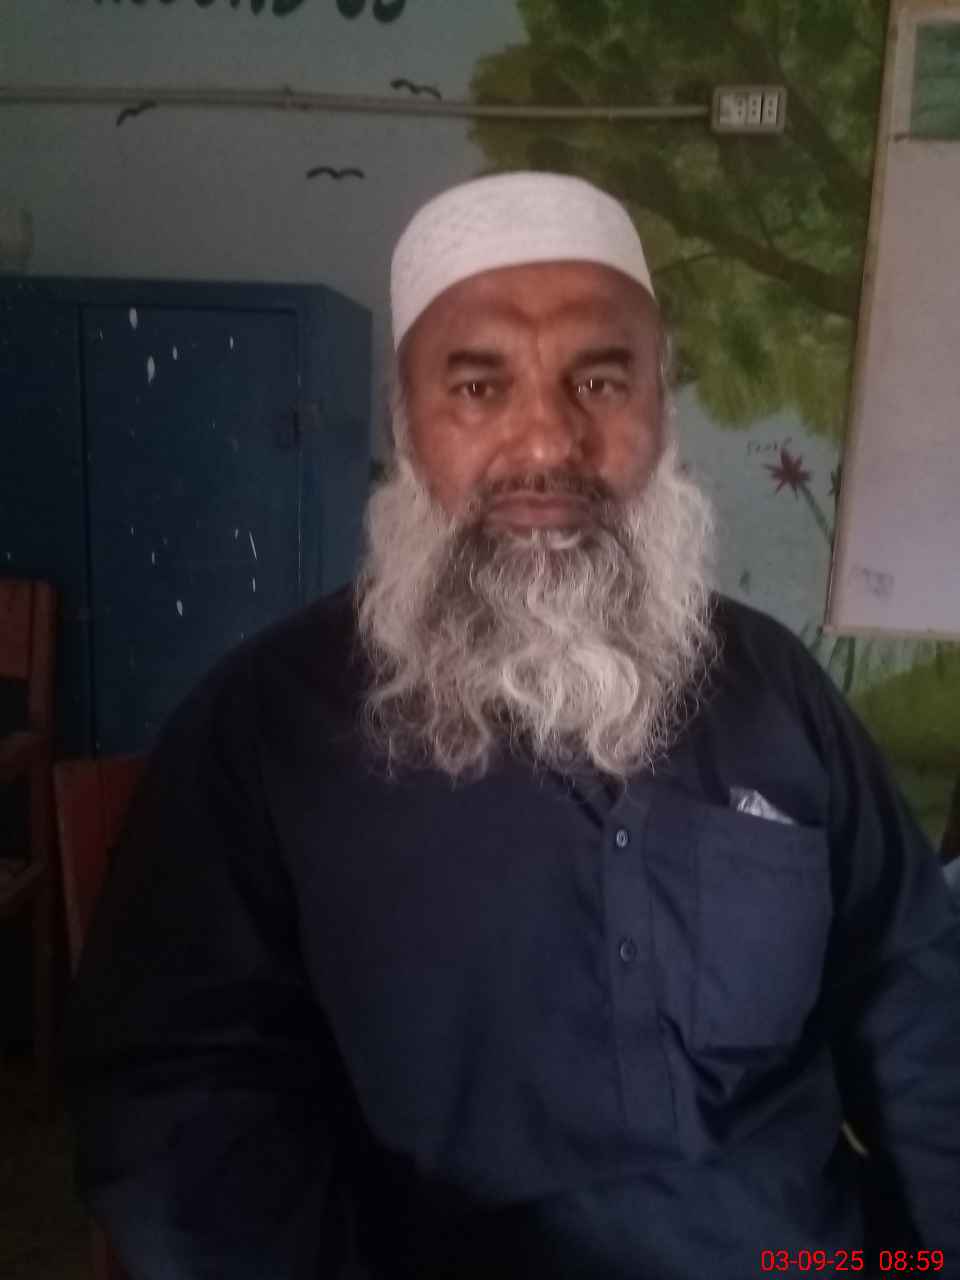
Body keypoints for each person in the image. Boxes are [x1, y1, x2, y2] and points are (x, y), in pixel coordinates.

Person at [68, 173, 960, 1280]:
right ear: (406, 427)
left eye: (600, 379)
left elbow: (917, 995)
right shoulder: (264, 727)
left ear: (662, 411)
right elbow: (178, 1102)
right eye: (479, 386)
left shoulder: (777, 689)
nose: (546, 443)